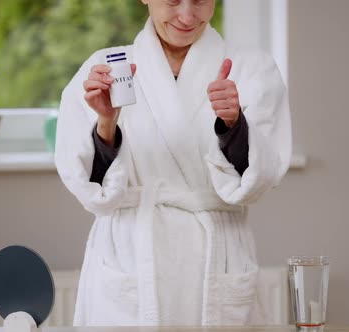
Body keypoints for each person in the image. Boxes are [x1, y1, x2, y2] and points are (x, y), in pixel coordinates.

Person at [55, 0, 291, 326]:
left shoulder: (252, 68)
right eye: (172, 1)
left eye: (200, 1)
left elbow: (260, 177)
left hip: (215, 255)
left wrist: (233, 125)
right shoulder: (107, 68)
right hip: (131, 255)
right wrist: (106, 124)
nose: (187, 15)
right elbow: (88, 186)